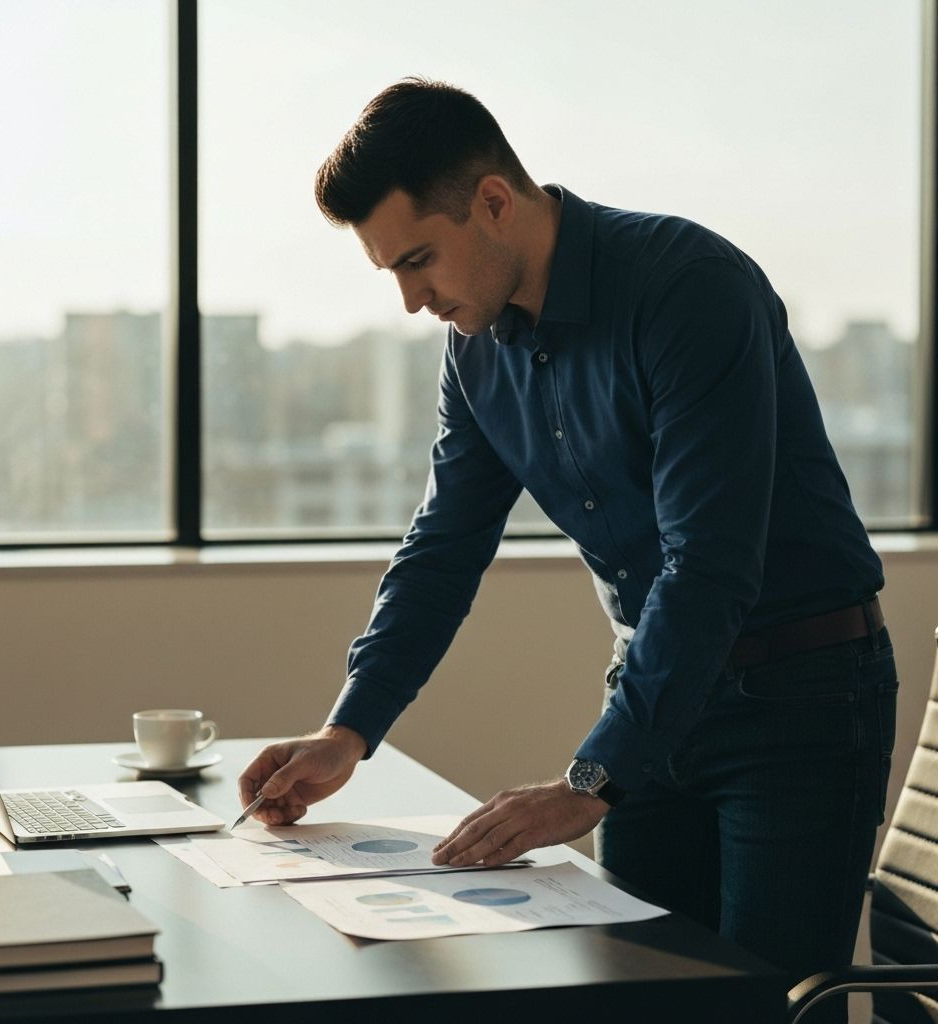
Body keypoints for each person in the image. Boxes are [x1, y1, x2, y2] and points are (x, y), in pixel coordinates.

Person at [239, 77, 897, 1018]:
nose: (412, 301)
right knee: (634, 994)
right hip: (653, 698)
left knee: (767, 1006)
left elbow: (707, 562)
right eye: (392, 272)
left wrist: (592, 779)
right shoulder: (476, 350)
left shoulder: (686, 286)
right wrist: (349, 730)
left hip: (799, 703)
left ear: (495, 202)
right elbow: (443, 546)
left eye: (419, 259)